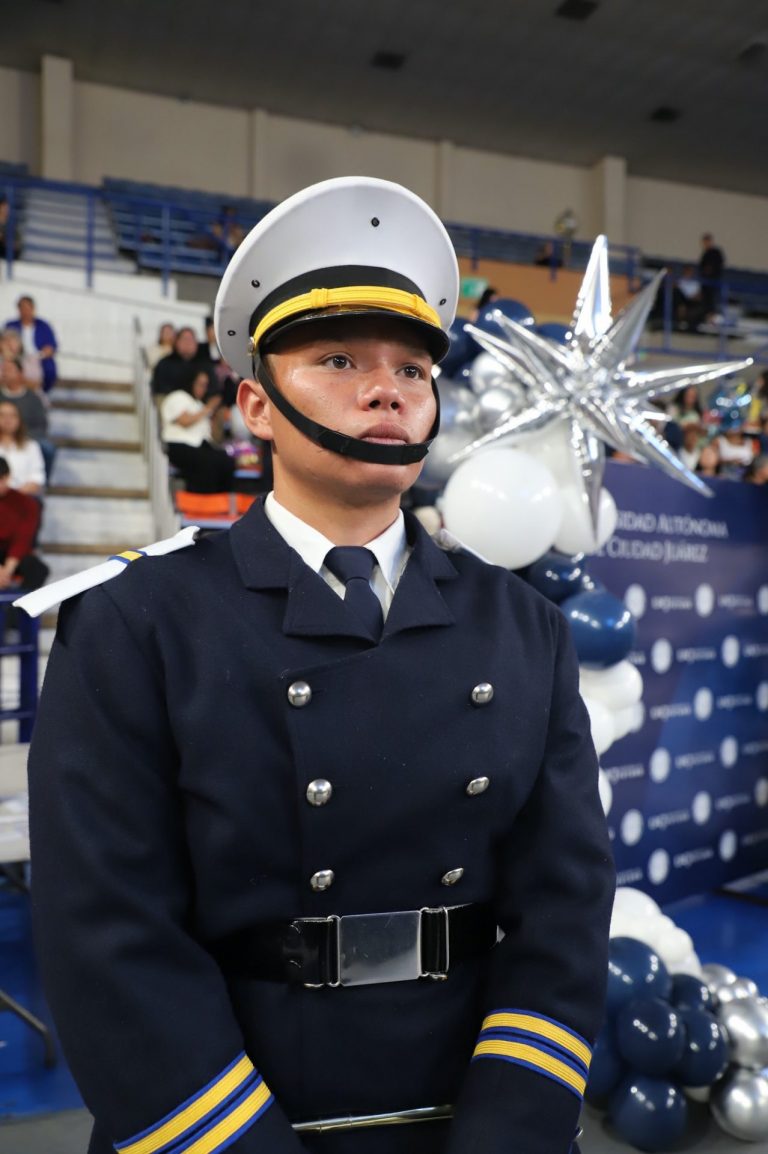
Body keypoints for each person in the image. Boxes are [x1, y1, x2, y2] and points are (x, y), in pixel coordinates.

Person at [24, 177, 614, 1154]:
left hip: (471, 1112)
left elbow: (566, 906)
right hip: (234, 1116)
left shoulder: (524, 626)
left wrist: (510, 1126)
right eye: (339, 360)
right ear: (256, 405)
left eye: (413, 367)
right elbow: (108, 935)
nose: (388, 388)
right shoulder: (137, 620)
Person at [161, 368, 235, 493]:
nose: (203, 389)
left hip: (201, 445)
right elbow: (184, 421)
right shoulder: (178, 397)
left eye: (205, 385)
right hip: (179, 444)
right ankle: (200, 499)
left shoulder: (199, 404)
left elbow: (212, 437)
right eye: (200, 384)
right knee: (206, 462)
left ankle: (220, 499)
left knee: (225, 460)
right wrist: (208, 408)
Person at [0, 357, 55, 480]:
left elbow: (41, 424)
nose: (5, 373)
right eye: (3, 370)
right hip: (2, 437)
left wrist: (21, 437)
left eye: (9, 370)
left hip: (29, 437)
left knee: (47, 448)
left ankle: (41, 484)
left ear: (20, 373)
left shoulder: (33, 398)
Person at [0, 456, 48, 594]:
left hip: (11, 556)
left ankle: (19, 606)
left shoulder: (26, 503)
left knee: (37, 569)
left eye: (1, 479)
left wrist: (6, 572)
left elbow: (23, 540)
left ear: (8, 477)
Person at [3, 295, 58, 393]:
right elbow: (4, 342)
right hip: (15, 357)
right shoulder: (11, 325)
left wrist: (41, 355)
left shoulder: (43, 326)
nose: (25, 311)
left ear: (33, 309)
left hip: (37, 358)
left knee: (48, 368)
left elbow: (51, 347)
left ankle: (42, 392)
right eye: (22, 308)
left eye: (28, 308)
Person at [150, 326, 216, 398]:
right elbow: (159, 392)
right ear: (177, 342)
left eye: (191, 340)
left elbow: (215, 391)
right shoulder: (164, 364)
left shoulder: (204, 365)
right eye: (184, 339)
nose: (188, 343)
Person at [0, 401, 45, 495]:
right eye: (2, 415)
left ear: (19, 420)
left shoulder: (31, 446)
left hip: (22, 496)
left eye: (12, 416)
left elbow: (37, 478)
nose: (7, 419)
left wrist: (14, 495)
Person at [696, 232, 725, 322]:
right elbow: (701, 268)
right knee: (705, 302)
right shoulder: (705, 254)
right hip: (705, 284)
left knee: (712, 301)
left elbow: (718, 266)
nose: (705, 244)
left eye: (706, 242)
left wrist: (710, 270)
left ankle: (713, 318)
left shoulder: (716, 253)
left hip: (713, 283)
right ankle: (707, 317)